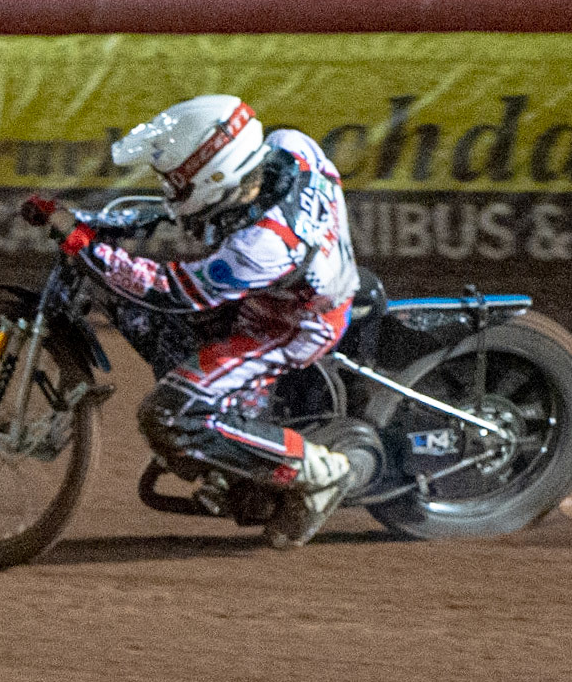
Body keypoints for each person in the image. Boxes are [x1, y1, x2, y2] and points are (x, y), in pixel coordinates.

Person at [21, 95, 361, 547]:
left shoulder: (260, 248)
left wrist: (84, 243)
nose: (170, 190)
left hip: (289, 327)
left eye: (176, 181)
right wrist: (93, 224)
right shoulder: (290, 148)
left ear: (216, 173)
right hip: (284, 290)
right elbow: (189, 216)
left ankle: (322, 473)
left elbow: (166, 288)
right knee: (178, 340)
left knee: (168, 414)